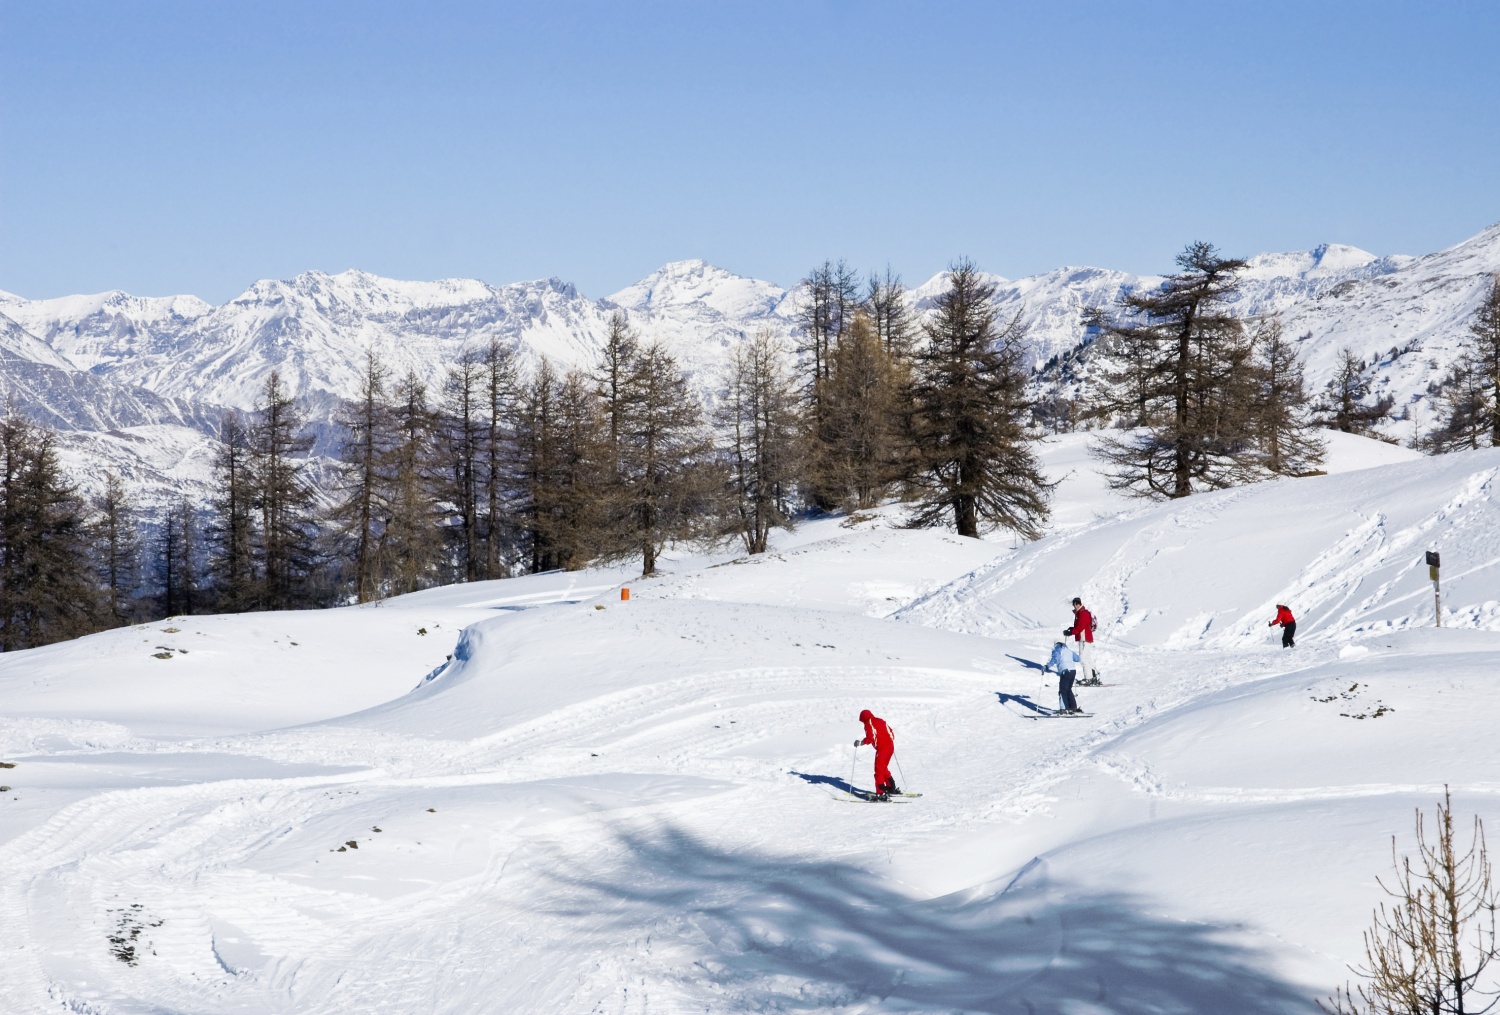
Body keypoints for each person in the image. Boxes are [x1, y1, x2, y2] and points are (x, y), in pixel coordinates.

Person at [854, 709, 898, 799]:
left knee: (878, 770)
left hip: (883, 749)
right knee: (883, 767)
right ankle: (891, 788)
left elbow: (871, 738)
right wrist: (888, 742)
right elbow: (891, 733)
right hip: (890, 747)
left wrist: (861, 743)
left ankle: (880, 793)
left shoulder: (868, 723)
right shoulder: (880, 720)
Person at [1064, 597, 1096, 684]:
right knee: (1087, 657)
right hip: (1083, 637)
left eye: (1075, 604)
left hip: (1084, 638)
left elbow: (1081, 627)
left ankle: (1088, 678)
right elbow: (1079, 627)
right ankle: (1094, 676)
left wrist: (1072, 631)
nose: (1075, 607)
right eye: (1074, 605)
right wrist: (1070, 631)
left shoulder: (1083, 613)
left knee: (1083, 658)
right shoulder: (1079, 614)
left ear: (1078, 604)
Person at [1045, 641, 1082, 713]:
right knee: (1068, 689)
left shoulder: (1057, 650)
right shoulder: (1069, 651)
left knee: (1062, 690)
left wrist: (1047, 666)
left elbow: (1055, 659)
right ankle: (1072, 707)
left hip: (1065, 671)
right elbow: (1078, 659)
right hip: (1073, 671)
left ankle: (1064, 708)